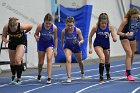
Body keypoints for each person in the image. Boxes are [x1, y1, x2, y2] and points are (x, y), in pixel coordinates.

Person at [2, 17, 32, 85]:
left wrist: (25, 32)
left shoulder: (21, 26)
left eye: (14, 29)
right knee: (12, 61)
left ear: (17, 25)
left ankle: (19, 79)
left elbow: (30, 26)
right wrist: (5, 40)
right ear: (9, 26)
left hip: (21, 42)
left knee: (17, 60)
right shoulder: (6, 27)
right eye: (11, 29)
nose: (13, 31)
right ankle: (13, 75)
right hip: (12, 42)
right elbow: (3, 36)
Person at [89, 13, 117, 83]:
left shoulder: (110, 27)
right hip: (98, 44)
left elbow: (114, 35)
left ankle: (108, 74)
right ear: (99, 22)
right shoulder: (95, 27)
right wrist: (90, 47)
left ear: (107, 22)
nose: (104, 24)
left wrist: (114, 38)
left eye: (105, 23)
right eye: (102, 23)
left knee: (107, 61)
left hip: (106, 45)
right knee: (102, 58)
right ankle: (101, 77)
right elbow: (90, 36)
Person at [34, 13, 58, 84]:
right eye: (46, 23)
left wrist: (55, 49)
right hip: (41, 44)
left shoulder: (54, 27)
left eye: (49, 23)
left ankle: (49, 77)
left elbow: (56, 38)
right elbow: (35, 34)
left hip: (49, 44)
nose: (48, 25)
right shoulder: (40, 26)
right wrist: (36, 37)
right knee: (41, 62)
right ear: (44, 22)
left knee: (49, 58)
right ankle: (39, 74)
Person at [117, 8, 140, 81]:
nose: (135, 18)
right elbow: (118, 32)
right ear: (130, 16)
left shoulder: (138, 18)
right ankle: (129, 74)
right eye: (133, 17)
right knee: (129, 53)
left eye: (136, 17)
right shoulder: (125, 20)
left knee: (132, 55)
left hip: (132, 37)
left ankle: (127, 70)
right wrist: (125, 34)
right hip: (124, 36)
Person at [61, 17, 85, 83]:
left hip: (76, 46)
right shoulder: (64, 31)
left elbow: (82, 39)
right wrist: (63, 45)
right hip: (68, 47)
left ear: (74, 24)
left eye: (71, 25)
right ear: (66, 24)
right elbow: (62, 39)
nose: (70, 27)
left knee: (80, 61)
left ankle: (82, 72)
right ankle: (69, 77)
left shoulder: (77, 30)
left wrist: (80, 42)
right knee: (68, 60)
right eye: (68, 25)